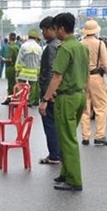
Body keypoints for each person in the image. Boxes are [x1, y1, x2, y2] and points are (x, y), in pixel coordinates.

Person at [38, 13, 89, 192]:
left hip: (66, 97)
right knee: (66, 137)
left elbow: (57, 76)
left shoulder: (65, 48)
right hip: (79, 96)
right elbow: (86, 75)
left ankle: (74, 180)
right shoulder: (82, 47)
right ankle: (66, 173)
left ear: (60, 28)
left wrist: (45, 99)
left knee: (67, 140)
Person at [80, 20, 107, 146]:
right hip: (96, 77)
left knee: (85, 108)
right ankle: (100, 135)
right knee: (100, 107)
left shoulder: (80, 44)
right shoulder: (100, 44)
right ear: (96, 31)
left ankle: (85, 137)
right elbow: (106, 64)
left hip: (82, 79)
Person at [37, 17, 61, 165]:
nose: (43, 33)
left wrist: (47, 96)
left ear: (52, 29)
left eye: (44, 30)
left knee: (50, 124)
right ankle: (57, 153)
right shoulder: (59, 44)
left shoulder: (52, 47)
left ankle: (54, 155)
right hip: (57, 92)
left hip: (50, 93)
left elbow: (53, 72)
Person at [15, 29, 43, 106]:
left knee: (21, 86)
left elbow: (19, 59)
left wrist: (17, 70)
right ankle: (31, 101)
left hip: (23, 72)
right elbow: (40, 62)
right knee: (33, 88)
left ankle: (22, 100)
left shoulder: (23, 46)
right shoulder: (39, 48)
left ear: (28, 36)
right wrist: (38, 72)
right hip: (34, 73)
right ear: (36, 37)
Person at [1, 32, 20, 105]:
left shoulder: (11, 47)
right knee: (15, 84)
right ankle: (14, 98)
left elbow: (9, 59)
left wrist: (3, 59)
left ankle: (11, 99)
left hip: (10, 67)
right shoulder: (17, 46)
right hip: (16, 67)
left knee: (10, 85)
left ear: (9, 38)